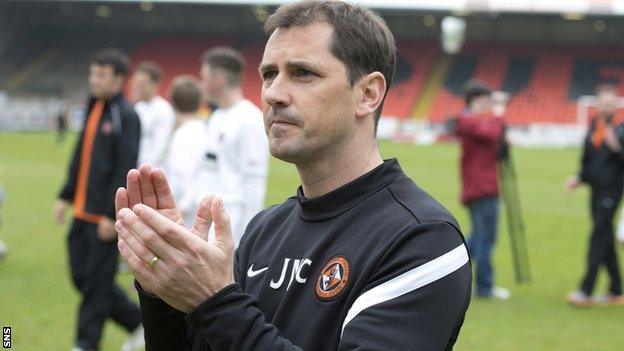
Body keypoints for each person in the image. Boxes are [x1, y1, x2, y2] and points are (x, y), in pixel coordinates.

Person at [114, 1, 472, 350]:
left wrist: (214, 300)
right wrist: (164, 289)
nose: (273, 94)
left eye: (303, 73)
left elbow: (226, 320)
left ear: (368, 93)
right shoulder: (264, 229)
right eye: (269, 74)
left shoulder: (423, 239)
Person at [53, 48, 144, 351]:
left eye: (101, 75)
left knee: (94, 286)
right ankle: (135, 321)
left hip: (102, 217)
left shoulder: (126, 115)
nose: (94, 80)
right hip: (81, 211)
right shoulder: (93, 106)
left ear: (119, 79)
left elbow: (125, 166)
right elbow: (80, 156)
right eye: (93, 73)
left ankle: (85, 343)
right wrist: (65, 195)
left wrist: (111, 214)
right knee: (83, 278)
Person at [197, 47, 269, 245]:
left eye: (204, 78)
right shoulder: (216, 117)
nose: (201, 84)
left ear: (218, 78)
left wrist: (248, 236)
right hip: (208, 217)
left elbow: (254, 181)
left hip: (233, 221)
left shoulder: (249, 119)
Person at [565, 83, 624, 307]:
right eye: (603, 104)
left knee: (598, 238)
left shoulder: (621, 129)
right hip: (595, 191)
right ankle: (617, 289)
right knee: (606, 238)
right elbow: (588, 162)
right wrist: (578, 178)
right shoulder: (593, 128)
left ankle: (585, 291)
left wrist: (618, 148)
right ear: (597, 105)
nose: (607, 108)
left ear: (616, 106)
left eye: (611, 104)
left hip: (612, 192)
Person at [455, 80, 510, 300]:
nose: (488, 105)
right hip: (482, 187)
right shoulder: (468, 120)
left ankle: (453, 270)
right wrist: (498, 113)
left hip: (481, 186)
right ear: (475, 100)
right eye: (485, 100)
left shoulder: (472, 120)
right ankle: (484, 286)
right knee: (485, 237)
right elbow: (490, 134)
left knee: (480, 236)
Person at [163, 76, 208, 225]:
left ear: (173, 102)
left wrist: (183, 206)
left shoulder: (183, 135)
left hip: (183, 211)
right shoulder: (204, 129)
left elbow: (184, 173)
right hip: (192, 206)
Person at [131, 61, 175, 168]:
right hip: (132, 168)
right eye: (136, 82)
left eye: (142, 83)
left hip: (148, 172)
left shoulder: (163, 110)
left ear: (155, 84)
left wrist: (142, 172)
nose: (137, 86)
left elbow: (159, 149)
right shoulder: (137, 108)